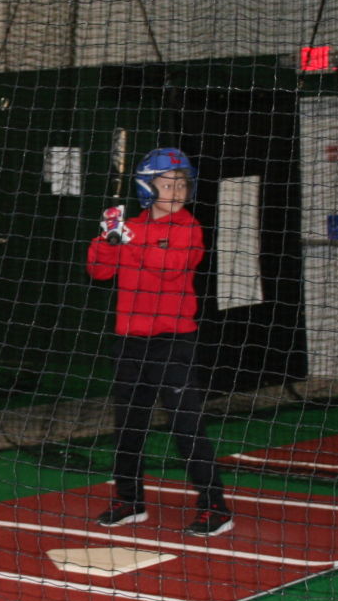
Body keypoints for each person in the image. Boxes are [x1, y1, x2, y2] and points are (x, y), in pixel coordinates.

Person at [85, 147, 231, 537]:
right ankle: (130, 500)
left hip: (173, 342)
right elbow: (98, 271)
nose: (176, 190)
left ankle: (215, 505)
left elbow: (169, 267)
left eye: (181, 183)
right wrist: (107, 238)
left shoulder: (189, 228)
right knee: (129, 426)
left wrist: (129, 241)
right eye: (167, 183)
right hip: (129, 342)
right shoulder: (131, 227)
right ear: (147, 187)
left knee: (186, 424)